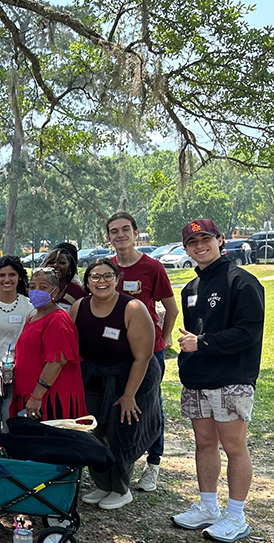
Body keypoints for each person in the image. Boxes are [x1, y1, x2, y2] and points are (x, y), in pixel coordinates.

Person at [171, 219, 264, 541]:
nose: (200, 246)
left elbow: (248, 332)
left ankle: (236, 515)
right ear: (186, 249)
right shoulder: (191, 288)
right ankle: (208, 507)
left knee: (234, 446)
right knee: (204, 443)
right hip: (199, 378)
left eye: (205, 239)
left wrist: (204, 342)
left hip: (232, 377)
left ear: (220, 240)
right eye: (192, 242)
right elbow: (195, 332)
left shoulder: (241, 281)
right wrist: (191, 349)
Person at [71, 259, 159, 511]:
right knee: (89, 430)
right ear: (87, 282)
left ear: (117, 279)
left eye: (107, 276)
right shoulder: (79, 307)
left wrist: (130, 395)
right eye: (95, 277)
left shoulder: (132, 308)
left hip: (130, 377)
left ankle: (121, 489)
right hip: (93, 377)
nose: (101, 281)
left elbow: (143, 357)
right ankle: (102, 484)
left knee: (120, 432)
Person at [106, 211, 178, 492]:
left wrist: (166, 336)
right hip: (116, 352)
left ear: (136, 233)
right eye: (114, 231)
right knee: (121, 405)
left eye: (126, 229)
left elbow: (171, 308)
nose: (120, 235)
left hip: (149, 353)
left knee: (150, 406)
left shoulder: (152, 268)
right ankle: (122, 460)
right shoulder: (107, 268)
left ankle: (154, 464)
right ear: (108, 237)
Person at [10, 267, 86, 422]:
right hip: (32, 398)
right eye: (32, 287)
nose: (36, 291)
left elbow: (56, 362)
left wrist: (37, 396)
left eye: (43, 287)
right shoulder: (35, 316)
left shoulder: (58, 320)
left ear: (56, 291)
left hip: (49, 400)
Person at [0, 256, 34, 438]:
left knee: (12, 426)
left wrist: (10, 372)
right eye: (2, 275)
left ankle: (10, 463)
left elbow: (30, 344)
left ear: (19, 277)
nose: (7, 279)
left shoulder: (29, 307)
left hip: (18, 376)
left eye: (12, 274)